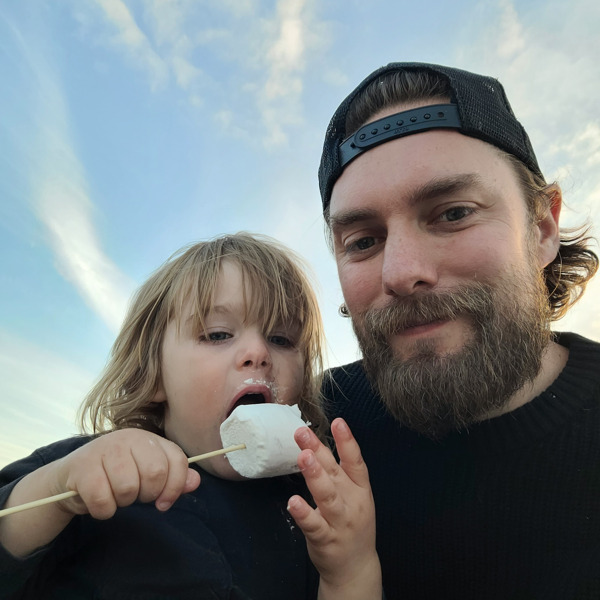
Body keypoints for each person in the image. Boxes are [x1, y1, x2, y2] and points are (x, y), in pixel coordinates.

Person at [318, 62, 600, 600]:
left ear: (542, 229)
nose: (401, 272)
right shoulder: (315, 428)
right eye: (363, 241)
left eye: (453, 214)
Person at [0, 233, 381, 600]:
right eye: (218, 335)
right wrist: (56, 491)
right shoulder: (91, 469)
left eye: (281, 339)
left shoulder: (312, 509)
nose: (258, 352)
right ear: (153, 375)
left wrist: (350, 570)